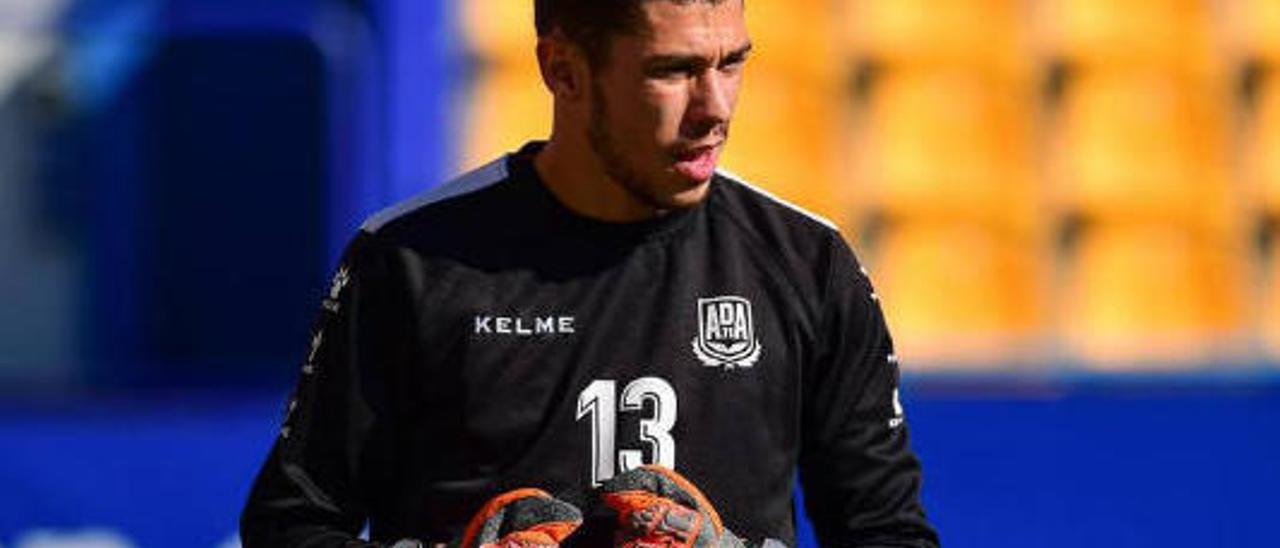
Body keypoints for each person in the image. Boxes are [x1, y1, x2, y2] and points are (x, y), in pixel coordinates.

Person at [240, 0, 940, 546]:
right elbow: (289, 527)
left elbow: (888, 534)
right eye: (672, 70)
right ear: (563, 69)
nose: (715, 108)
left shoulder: (810, 264)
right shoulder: (410, 260)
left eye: (731, 63)